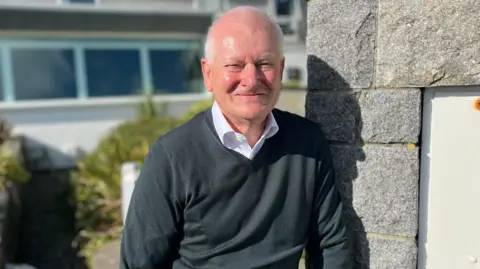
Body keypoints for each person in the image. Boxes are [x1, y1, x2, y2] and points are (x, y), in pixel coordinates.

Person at [119, 6, 353, 269]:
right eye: (235, 65)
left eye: (264, 63)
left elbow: (330, 246)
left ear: (282, 68)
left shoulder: (308, 144)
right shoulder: (172, 157)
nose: (251, 80)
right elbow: (138, 264)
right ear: (208, 74)